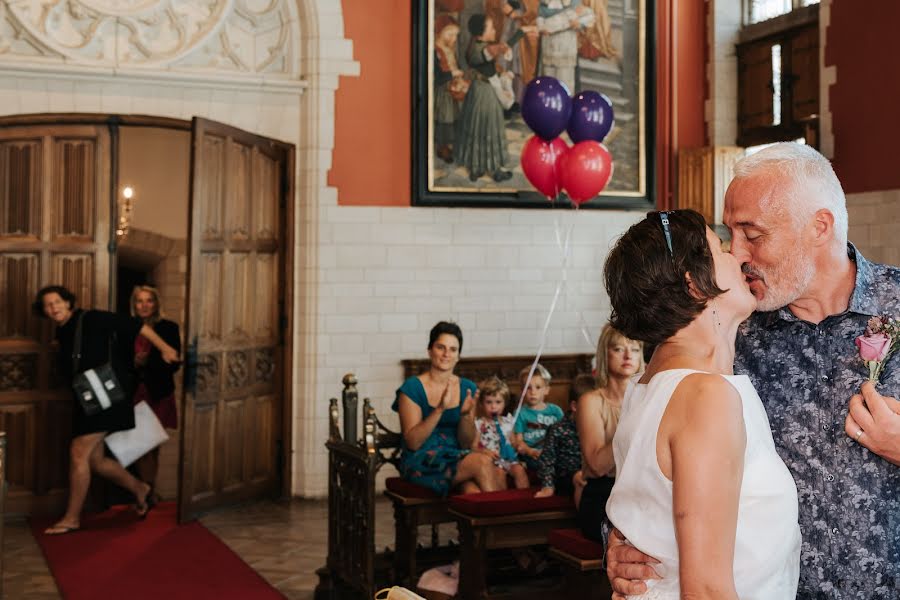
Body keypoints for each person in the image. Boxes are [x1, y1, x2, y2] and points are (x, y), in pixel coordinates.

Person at [606, 143, 900, 600]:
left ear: (819, 227)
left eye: (752, 233)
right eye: (728, 235)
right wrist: (621, 543)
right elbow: (651, 469)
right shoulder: (721, 331)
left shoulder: (897, 306)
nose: (739, 254)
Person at [602, 209, 801, 599]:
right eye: (722, 249)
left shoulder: (649, 386)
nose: (739, 257)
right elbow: (707, 589)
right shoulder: (705, 396)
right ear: (695, 285)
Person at [33, 285, 180, 535]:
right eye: (48, 305)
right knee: (96, 460)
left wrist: (165, 348)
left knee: (78, 451)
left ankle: (71, 518)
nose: (53, 308)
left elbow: (137, 326)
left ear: (68, 302)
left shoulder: (91, 317)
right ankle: (140, 489)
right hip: (88, 398)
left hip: (107, 397)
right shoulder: (64, 330)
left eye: (57, 301)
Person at [393, 322, 504, 496]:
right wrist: (440, 409)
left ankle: (490, 520)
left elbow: (466, 442)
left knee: (472, 491)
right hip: (421, 460)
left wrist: (466, 415)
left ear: (458, 356)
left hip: (458, 455)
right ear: (430, 350)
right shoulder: (412, 387)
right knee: (482, 462)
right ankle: (503, 521)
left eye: (453, 349)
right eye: (441, 347)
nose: (446, 354)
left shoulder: (467, 387)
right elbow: (413, 443)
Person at [574, 324, 642, 542]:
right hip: (603, 496)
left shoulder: (648, 396)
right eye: (618, 349)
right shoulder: (591, 401)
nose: (628, 355)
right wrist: (632, 422)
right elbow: (597, 465)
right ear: (605, 353)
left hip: (641, 493)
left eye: (635, 349)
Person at [130, 285, 181, 499]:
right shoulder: (127, 326)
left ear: (156, 303)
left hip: (158, 391)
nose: (144, 305)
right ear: (134, 305)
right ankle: (145, 489)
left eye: (149, 300)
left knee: (153, 442)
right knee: (141, 443)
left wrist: (148, 362)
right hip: (134, 392)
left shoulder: (168, 327)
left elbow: (174, 364)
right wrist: (134, 363)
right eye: (139, 301)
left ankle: (148, 489)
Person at [455, 13, 513, 183]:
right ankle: (490, 168)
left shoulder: (478, 45)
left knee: (477, 126)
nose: (495, 29)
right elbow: (492, 51)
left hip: (478, 91)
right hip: (485, 93)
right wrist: (507, 45)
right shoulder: (481, 49)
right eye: (491, 27)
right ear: (481, 33)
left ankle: (477, 167)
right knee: (488, 126)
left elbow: (492, 55)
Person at [533, 375, 589, 498]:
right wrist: (548, 486)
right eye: (590, 406)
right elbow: (546, 461)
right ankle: (586, 517)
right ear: (574, 406)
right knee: (581, 478)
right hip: (565, 476)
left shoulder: (598, 427)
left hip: (592, 472)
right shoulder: (558, 429)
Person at [473, 376, 529, 489]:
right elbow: (473, 447)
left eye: (498, 402)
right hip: (493, 461)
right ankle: (503, 501)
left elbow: (513, 442)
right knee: (499, 473)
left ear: (505, 403)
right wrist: (485, 452)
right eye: (489, 402)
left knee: (520, 470)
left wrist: (518, 446)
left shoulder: (508, 421)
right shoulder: (479, 424)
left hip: (509, 459)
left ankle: (524, 500)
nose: (493, 407)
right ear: (481, 404)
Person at [512, 363, 564, 470]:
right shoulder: (520, 413)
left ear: (546, 390)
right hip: (530, 455)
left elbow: (563, 434)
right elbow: (519, 441)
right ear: (522, 391)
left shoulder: (555, 411)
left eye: (538, 387)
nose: (533, 392)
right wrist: (530, 451)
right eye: (528, 388)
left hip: (553, 453)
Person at [434, 15, 467, 164]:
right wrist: (452, 74)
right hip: (442, 90)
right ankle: (443, 147)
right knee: (444, 118)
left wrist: (459, 79)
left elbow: (455, 65)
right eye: (450, 34)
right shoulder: (436, 50)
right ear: (440, 32)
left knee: (455, 116)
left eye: (455, 35)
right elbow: (437, 75)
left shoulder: (450, 49)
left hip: (452, 87)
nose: (453, 38)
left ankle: (452, 143)